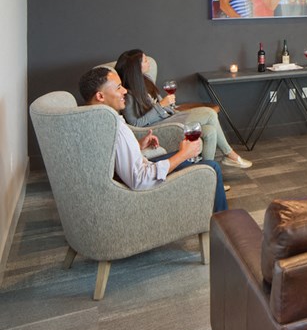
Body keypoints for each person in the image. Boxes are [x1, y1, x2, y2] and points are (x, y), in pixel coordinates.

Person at [78, 66, 228, 212]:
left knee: (199, 161)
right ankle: (224, 226)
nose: (124, 91)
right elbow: (140, 180)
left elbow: (112, 157)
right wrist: (183, 154)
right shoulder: (113, 125)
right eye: (118, 88)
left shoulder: (92, 119)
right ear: (100, 96)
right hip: (142, 183)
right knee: (211, 168)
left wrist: (136, 146)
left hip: (136, 171)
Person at [114, 49, 252, 169]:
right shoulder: (128, 94)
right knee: (210, 114)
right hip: (159, 127)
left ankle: (207, 176)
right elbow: (136, 124)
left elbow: (162, 105)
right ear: (135, 68)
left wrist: (167, 106)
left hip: (169, 117)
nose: (148, 62)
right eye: (144, 60)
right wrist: (161, 106)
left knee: (210, 131)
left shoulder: (146, 80)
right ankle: (230, 154)